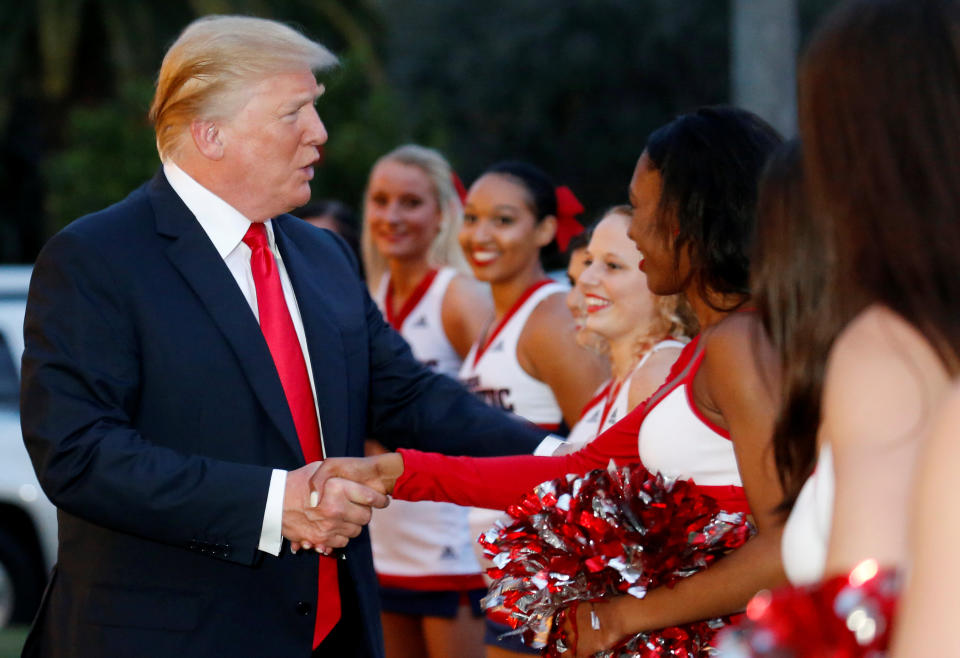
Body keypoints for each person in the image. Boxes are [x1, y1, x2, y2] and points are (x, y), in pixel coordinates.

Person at [18, 16, 550, 658]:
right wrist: (276, 503)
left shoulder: (323, 256)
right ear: (210, 134)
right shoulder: (95, 258)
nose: (320, 135)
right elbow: (80, 455)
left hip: (334, 634)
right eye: (294, 112)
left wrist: (560, 464)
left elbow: (409, 398)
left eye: (316, 110)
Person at [312, 106, 787, 657]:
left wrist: (623, 616)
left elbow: (790, 546)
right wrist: (400, 472)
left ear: (691, 217)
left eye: (639, 207)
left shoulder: (741, 342)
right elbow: (574, 473)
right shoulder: (711, 348)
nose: (632, 230)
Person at [456, 160, 608, 657]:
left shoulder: (552, 318)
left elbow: (600, 454)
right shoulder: (491, 324)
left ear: (545, 229)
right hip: (506, 574)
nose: (480, 234)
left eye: (502, 220)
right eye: (471, 217)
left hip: (550, 576)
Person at [360, 144, 491, 658]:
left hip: (451, 542)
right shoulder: (370, 295)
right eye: (381, 200)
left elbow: (491, 420)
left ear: (442, 213)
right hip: (384, 538)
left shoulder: (457, 296)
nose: (391, 217)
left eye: (410, 203)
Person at [562, 206, 686, 448]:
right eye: (589, 261)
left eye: (612, 265)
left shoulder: (659, 373)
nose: (586, 279)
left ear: (661, 281)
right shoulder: (617, 381)